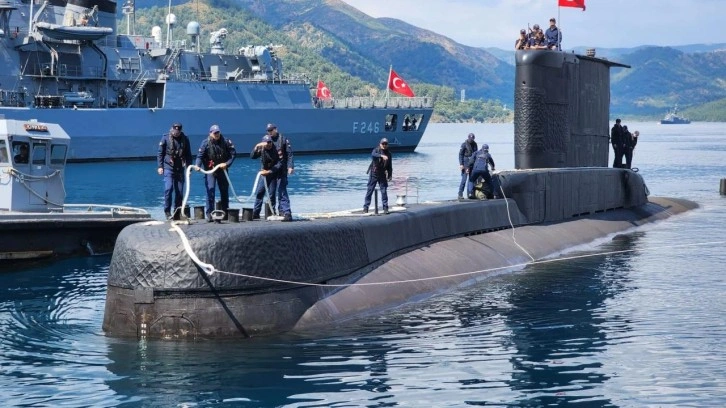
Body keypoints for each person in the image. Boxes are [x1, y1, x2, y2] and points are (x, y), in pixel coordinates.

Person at [194, 124, 236, 222]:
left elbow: (233, 154)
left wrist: (227, 164)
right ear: (210, 133)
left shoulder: (226, 141)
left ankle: (225, 213)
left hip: (222, 170)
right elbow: (200, 156)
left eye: (218, 132)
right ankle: (210, 214)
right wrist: (197, 165)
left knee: (224, 191)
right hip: (210, 170)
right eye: (215, 133)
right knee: (210, 190)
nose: (217, 134)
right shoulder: (205, 143)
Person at [157, 122, 193, 219]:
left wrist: (189, 169)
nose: (176, 133)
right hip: (168, 167)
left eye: (178, 131)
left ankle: (177, 211)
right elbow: (160, 153)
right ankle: (167, 211)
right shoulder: (165, 138)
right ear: (172, 129)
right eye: (174, 130)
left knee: (179, 192)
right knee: (168, 188)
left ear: (180, 131)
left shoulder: (185, 139)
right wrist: (160, 166)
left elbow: (188, 155)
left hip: (179, 168)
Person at [265, 123, 294, 222]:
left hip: (281, 169)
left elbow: (289, 154)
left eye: (271, 130)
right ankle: (274, 211)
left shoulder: (283, 140)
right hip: (272, 170)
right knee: (271, 192)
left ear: (275, 129)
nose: (270, 132)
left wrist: (290, 166)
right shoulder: (267, 141)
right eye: (268, 131)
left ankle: (286, 212)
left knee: (282, 190)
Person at [250, 135, 282, 219]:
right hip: (264, 173)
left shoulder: (276, 149)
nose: (269, 144)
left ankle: (272, 212)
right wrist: (256, 147)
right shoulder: (261, 149)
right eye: (267, 143)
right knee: (260, 192)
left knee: (272, 194)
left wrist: (270, 171)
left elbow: (279, 164)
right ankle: (256, 213)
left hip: (273, 173)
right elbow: (252, 156)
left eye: (270, 142)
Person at [363, 138, 393, 214]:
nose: (384, 145)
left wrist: (390, 175)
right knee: (370, 190)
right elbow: (373, 154)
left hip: (382, 174)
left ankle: (385, 208)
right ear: (380, 144)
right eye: (383, 144)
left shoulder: (389, 154)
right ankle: (366, 207)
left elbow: (389, 166)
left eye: (386, 144)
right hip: (374, 173)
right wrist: (381, 156)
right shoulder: (376, 150)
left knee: (384, 191)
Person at [458, 133, 478, 200]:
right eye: (470, 139)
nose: (471, 140)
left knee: (471, 180)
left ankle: (470, 194)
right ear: (468, 138)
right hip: (465, 163)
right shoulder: (464, 144)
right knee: (464, 179)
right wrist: (461, 164)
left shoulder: (475, 144)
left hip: (472, 163)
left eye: (472, 139)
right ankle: (460, 194)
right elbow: (460, 154)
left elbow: (476, 154)